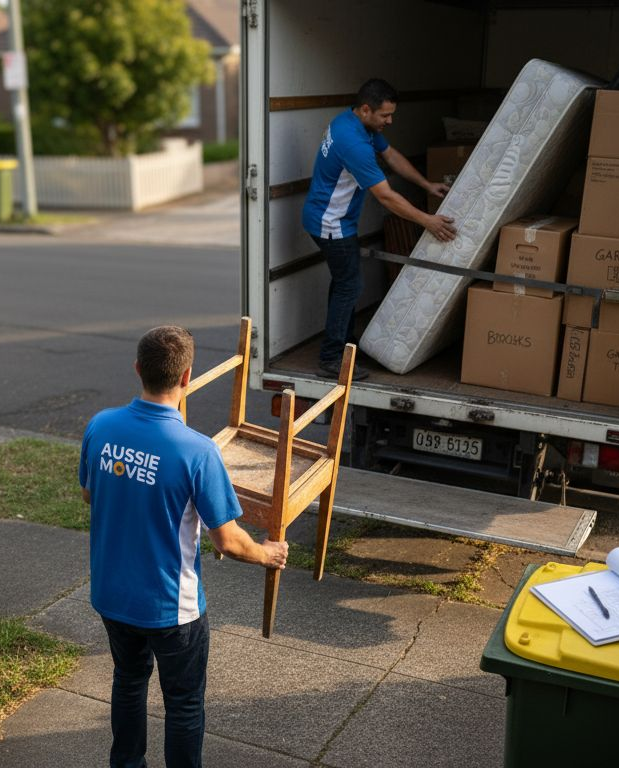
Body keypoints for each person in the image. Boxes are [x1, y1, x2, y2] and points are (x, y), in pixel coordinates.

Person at [79, 325, 290, 768]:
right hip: (171, 609)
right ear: (187, 376)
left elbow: (89, 493)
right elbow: (229, 542)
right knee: (185, 704)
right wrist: (268, 553)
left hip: (112, 597)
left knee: (129, 683)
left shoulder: (100, 426)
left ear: (138, 369)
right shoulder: (197, 452)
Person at [302, 78, 459, 380]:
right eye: (385, 115)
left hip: (332, 218)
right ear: (365, 109)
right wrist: (427, 220)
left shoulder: (354, 123)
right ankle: (332, 357)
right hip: (330, 223)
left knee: (345, 282)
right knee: (349, 285)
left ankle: (343, 345)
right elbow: (386, 196)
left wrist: (426, 184)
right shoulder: (354, 143)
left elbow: (392, 156)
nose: (390, 120)